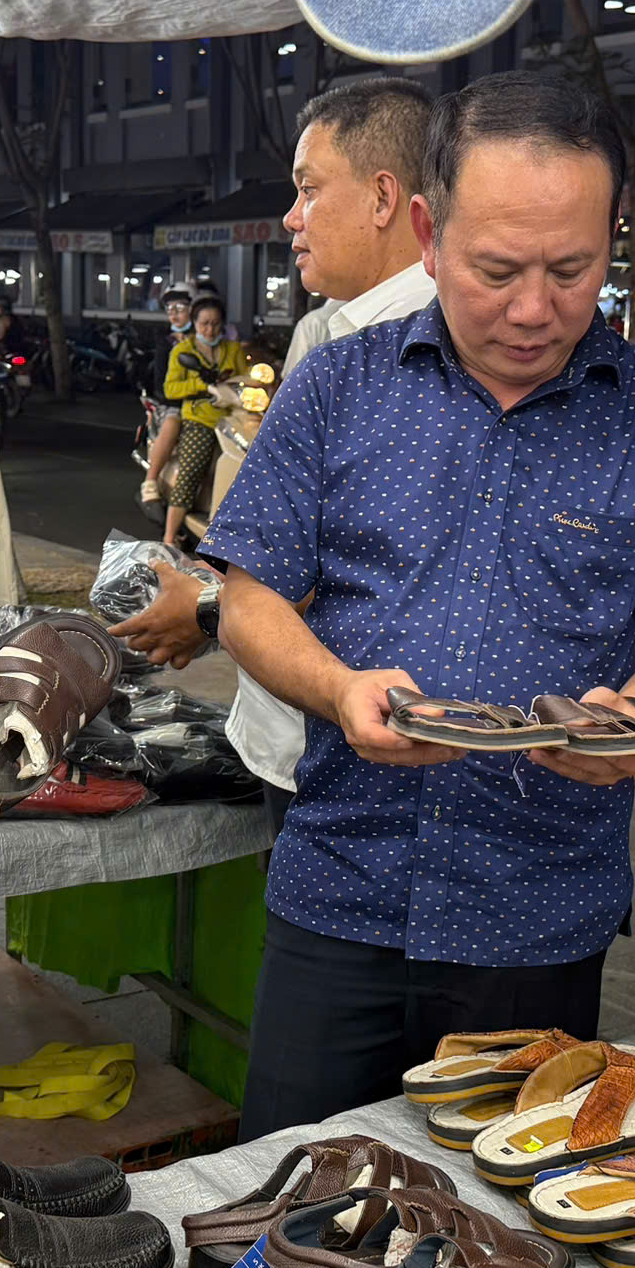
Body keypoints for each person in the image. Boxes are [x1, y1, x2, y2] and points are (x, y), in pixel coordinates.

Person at [210, 70, 635, 1138]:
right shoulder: (335, 386)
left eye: (573, 270)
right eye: (495, 268)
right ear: (426, 229)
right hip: (341, 887)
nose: (533, 309)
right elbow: (248, 600)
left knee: (505, 1235)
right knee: (297, 1205)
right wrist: (337, 689)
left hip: (540, 914)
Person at [112, 78, 437, 821]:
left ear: (384, 198)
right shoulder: (325, 333)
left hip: (361, 757)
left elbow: (356, 559)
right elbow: (282, 530)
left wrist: (202, 609)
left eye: (309, 190)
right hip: (287, 734)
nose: (291, 218)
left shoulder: (426, 352)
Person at [160, 289, 245, 551]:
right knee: (192, 468)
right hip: (200, 419)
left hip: (232, 417)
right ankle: (169, 537)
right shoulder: (182, 351)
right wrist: (201, 386)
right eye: (204, 324)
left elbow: (245, 378)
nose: (210, 330)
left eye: (216, 324)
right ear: (195, 323)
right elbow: (170, 389)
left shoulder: (232, 349)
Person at [141, 285, 195, 517]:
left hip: (206, 399)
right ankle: (150, 481)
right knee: (173, 421)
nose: (174, 313)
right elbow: (161, 384)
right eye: (169, 309)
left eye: (180, 308)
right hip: (172, 401)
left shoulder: (204, 336)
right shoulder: (166, 341)